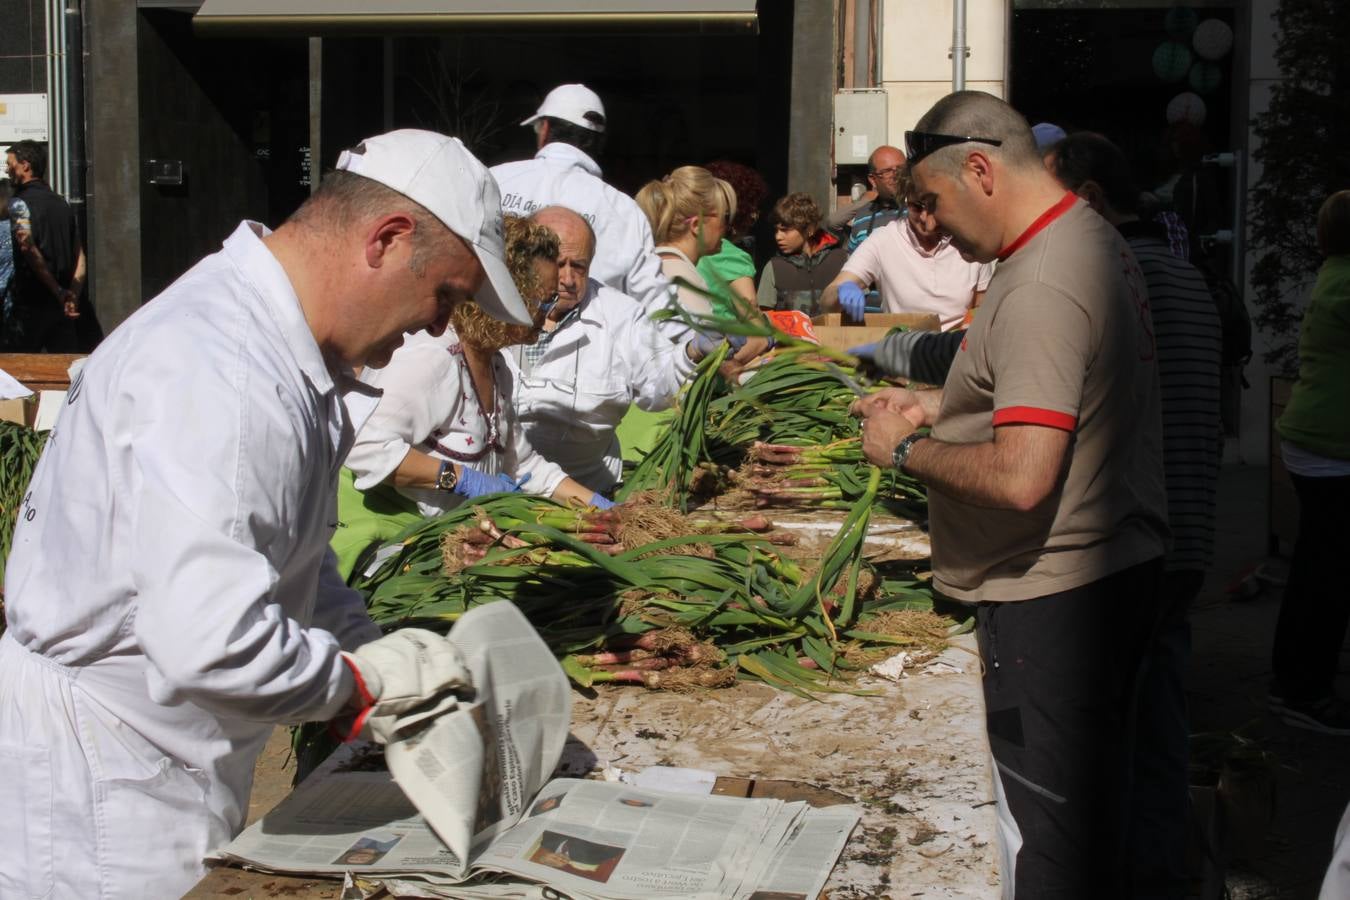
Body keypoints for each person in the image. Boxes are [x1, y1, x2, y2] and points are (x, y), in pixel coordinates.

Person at [0, 129, 532, 897]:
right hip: (105, 789)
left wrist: (367, 645)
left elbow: (293, 554)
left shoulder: (279, 347)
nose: (439, 326)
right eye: (446, 294)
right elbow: (209, 644)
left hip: (157, 752)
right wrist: (357, 680)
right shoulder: (222, 370)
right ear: (386, 238)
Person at [852, 92, 1169, 897]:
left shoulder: (1039, 286)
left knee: (1051, 843)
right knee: (1105, 824)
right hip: (1109, 574)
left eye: (931, 200)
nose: (935, 228)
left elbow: (1025, 476)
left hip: (1053, 601)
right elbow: (1058, 397)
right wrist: (942, 406)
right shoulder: (1087, 240)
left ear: (982, 170)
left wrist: (908, 448)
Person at [334, 215, 611, 579]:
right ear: (504, 295)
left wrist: (600, 509)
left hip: (456, 551)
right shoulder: (434, 357)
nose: (546, 319)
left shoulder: (497, 366)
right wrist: (459, 479)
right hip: (391, 557)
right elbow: (362, 445)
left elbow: (524, 467)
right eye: (540, 303)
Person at [507, 206, 721, 494]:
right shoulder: (496, 309)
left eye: (579, 266)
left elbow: (659, 387)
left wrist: (691, 353)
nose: (568, 279)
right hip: (500, 490)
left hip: (588, 493)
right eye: (558, 264)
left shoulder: (620, 315)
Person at [1268, 188, 1350, 735]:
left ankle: (1298, 682)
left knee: (1319, 568)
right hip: (1331, 448)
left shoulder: (1335, 273)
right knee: (1327, 575)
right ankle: (1301, 689)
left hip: (1317, 441)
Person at [492, 84, 668, 313]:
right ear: (599, 142)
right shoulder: (624, 209)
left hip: (494, 337)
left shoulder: (496, 180)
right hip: (588, 345)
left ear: (544, 129)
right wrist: (693, 344)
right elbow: (655, 301)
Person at [821, 166, 993, 330]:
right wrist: (841, 292)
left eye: (933, 207)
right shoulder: (884, 240)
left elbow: (982, 304)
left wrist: (969, 328)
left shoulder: (970, 240)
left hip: (957, 349)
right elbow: (828, 298)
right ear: (905, 201)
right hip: (903, 348)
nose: (925, 217)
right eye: (916, 207)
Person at [4, 140, 89, 351]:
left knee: (19, 371)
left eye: (10, 164)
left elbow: (28, 249)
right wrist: (72, 296)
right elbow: (80, 256)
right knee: (64, 368)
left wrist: (58, 291)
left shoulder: (18, 204)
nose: (7, 170)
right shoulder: (62, 204)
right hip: (62, 309)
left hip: (31, 306)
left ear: (25, 165)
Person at [755, 192, 848, 313]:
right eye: (776, 230)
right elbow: (764, 319)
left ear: (809, 229)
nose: (778, 236)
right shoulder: (774, 267)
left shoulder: (841, 260)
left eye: (785, 230)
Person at [698, 159, 770, 315]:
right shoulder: (732, 257)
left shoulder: (684, 248)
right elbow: (752, 322)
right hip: (724, 337)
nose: (755, 215)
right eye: (753, 208)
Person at [826, 145, 906, 254]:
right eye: (887, 171)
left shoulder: (921, 211)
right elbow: (833, 221)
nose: (896, 175)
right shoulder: (863, 216)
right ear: (873, 180)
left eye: (901, 169)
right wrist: (865, 201)